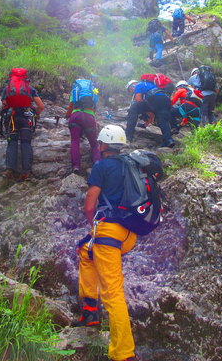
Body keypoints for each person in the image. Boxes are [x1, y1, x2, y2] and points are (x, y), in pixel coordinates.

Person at [74, 125, 139, 361]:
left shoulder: (102, 166)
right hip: (129, 232)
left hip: (109, 232)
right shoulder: (132, 165)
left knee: (112, 293)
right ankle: (90, 308)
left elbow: (90, 205)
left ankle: (124, 353)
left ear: (102, 145)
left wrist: (94, 224)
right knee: (85, 251)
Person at [0, 68, 45, 181]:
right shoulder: (30, 89)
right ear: (25, 78)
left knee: (12, 142)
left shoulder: (8, 89)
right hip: (26, 116)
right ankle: (26, 171)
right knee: (26, 142)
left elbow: (4, 104)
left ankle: (9, 169)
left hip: (12, 117)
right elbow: (41, 106)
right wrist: (36, 115)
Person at [65, 78, 101, 176]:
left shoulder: (75, 90)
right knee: (94, 143)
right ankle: (97, 164)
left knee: (75, 141)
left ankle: (76, 166)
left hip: (75, 116)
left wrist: (67, 116)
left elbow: (71, 106)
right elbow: (94, 107)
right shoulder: (93, 90)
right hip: (89, 117)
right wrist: (94, 120)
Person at [125, 78, 174, 148]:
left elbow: (138, 100)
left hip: (153, 98)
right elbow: (151, 114)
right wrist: (145, 125)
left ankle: (128, 135)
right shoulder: (152, 85)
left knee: (133, 109)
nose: (132, 91)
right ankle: (168, 140)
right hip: (165, 100)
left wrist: (142, 111)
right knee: (162, 120)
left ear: (133, 85)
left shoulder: (138, 85)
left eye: (130, 89)